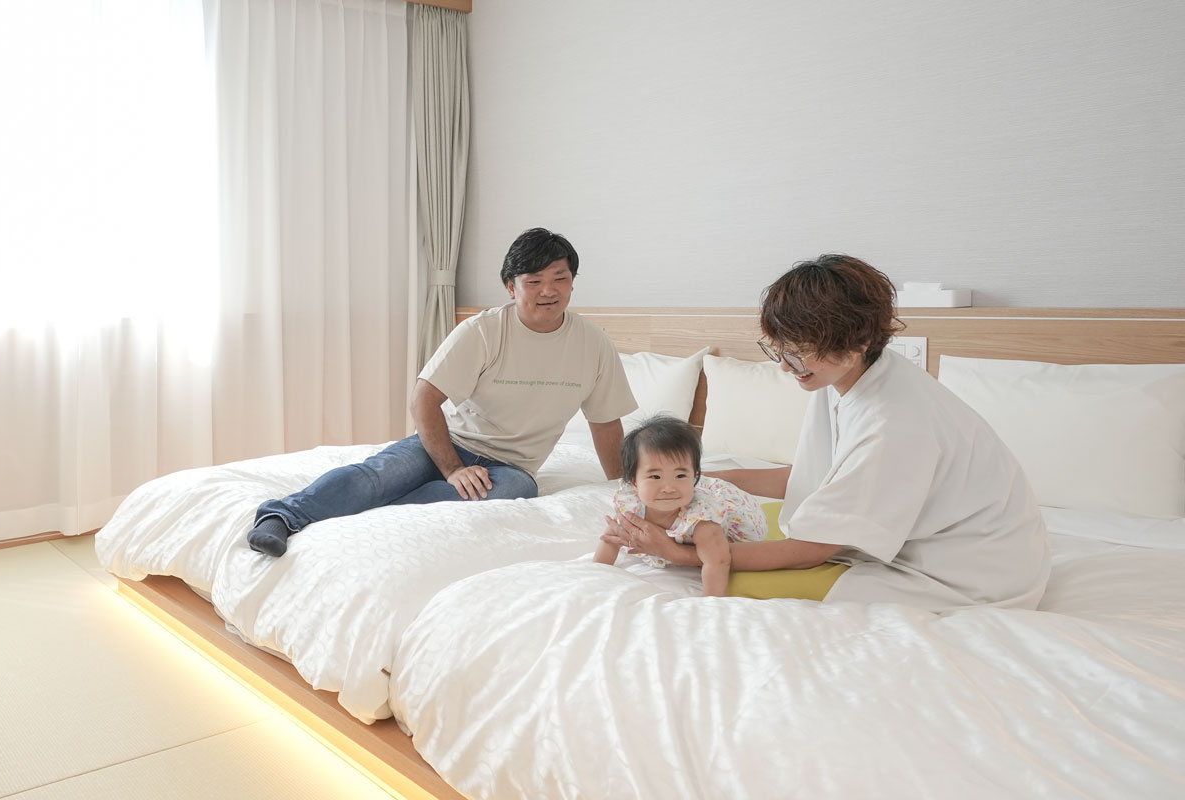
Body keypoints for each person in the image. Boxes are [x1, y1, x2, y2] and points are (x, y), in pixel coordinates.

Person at [603, 254, 1050, 611]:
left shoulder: (891, 424)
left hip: (968, 573)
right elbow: (812, 477)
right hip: (936, 538)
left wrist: (679, 553)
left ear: (857, 343)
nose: (785, 366)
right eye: (780, 349)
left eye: (799, 353)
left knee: (723, 578)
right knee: (730, 526)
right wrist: (697, 484)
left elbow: (812, 549)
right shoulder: (846, 376)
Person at [249, 228, 636, 557]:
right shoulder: (483, 331)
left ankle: (360, 520)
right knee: (379, 476)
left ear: (572, 282)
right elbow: (424, 398)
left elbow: (605, 423)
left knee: (516, 490)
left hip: (512, 467)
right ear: (511, 287)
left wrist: (623, 492)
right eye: (533, 281)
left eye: (559, 278)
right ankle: (281, 515)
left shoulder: (593, 344)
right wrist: (453, 469)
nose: (548, 290)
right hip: (448, 443)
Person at [594, 416, 767, 597]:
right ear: (634, 482)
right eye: (655, 477)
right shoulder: (632, 505)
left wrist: (710, 603)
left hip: (737, 513)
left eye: (680, 476)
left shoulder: (702, 520)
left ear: (694, 477)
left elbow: (719, 561)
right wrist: (596, 573)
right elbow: (611, 537)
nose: (668, 488)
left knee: (716, 547)